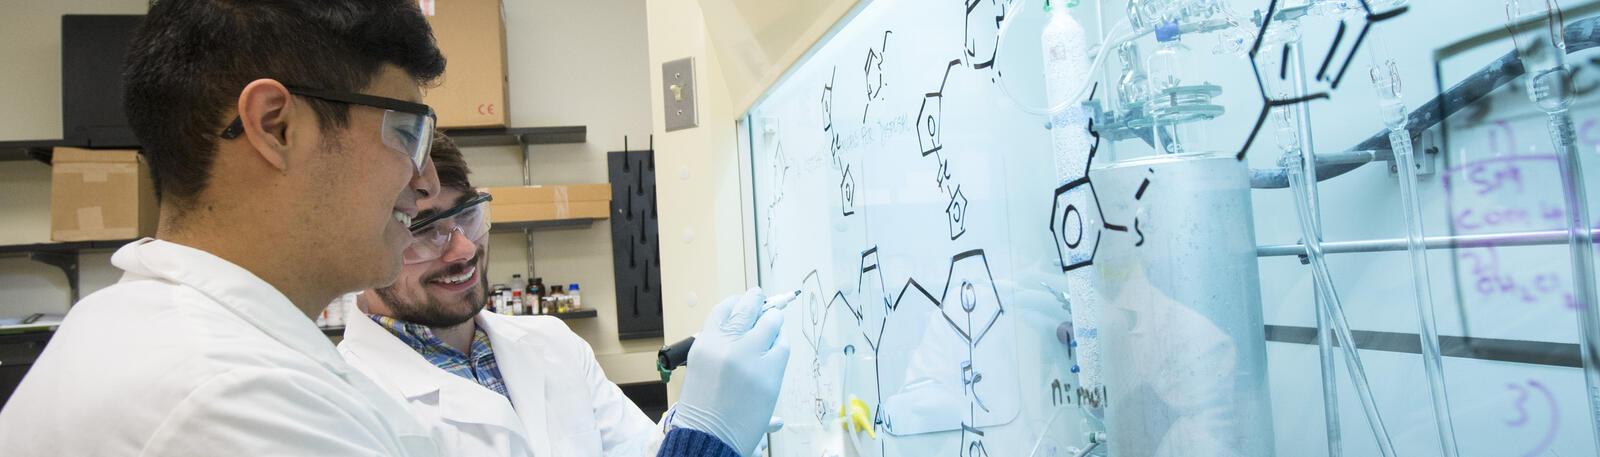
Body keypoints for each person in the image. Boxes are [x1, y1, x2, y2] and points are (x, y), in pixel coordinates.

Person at [0, 1, 781, 456]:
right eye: (405, 130)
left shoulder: (141, 331)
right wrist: (706, 437)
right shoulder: (230, 399)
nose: (422, 181)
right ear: (276, 125)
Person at [338, 135, 789, 457]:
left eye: (468, 216)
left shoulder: (552, 343)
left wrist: (696, 414)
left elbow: (641, 450)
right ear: (360, 241)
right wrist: (707, 436)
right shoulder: (345, 406)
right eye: (425, 230)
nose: (464, 249)